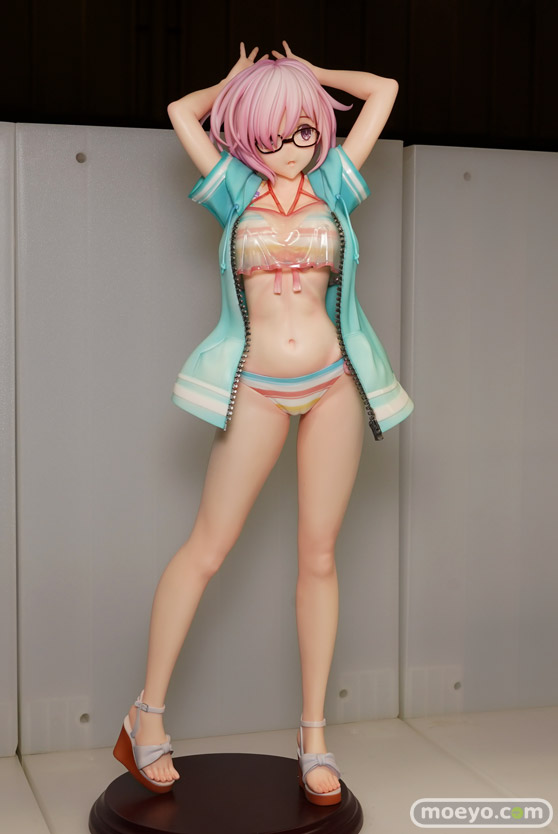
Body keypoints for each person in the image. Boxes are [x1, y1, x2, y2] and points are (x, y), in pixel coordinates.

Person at [113, 41, 413, 805]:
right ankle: (146, 717)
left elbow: (383, 89)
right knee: (207, 548)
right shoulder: (233, 189)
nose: (290, 146)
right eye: (272, 133)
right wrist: (234, 82)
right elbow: (181, 110)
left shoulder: (336, 184)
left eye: (303, 129)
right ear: (249, 135)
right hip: (255, 385)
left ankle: (313, 738)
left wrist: (311, 76)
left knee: (319, 556)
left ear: (319, 129)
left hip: (335, 383)